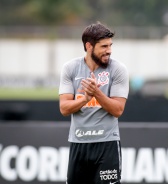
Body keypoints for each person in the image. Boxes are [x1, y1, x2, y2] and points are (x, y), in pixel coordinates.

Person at [59, 22, 129, 184]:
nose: (109, 50)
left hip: (107, 145)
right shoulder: (70, 68)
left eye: (110, 46)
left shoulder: (118, 69)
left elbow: (118, 110)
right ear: (89, 46)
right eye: (104, 46)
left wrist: (96, 93)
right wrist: (85, 99)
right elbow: (64, 108)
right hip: (79, 144)